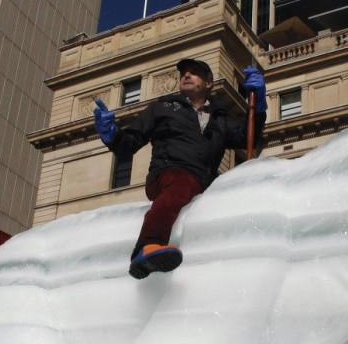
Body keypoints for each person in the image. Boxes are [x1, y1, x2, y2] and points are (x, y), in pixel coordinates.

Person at [93, 58, 266, 278]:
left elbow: (247, 137)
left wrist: (258, 103)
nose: (186, 75)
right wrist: (111, 133)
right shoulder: (163, 107)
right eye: (184, 73)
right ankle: (147, 246)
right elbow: (129, 142)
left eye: (194, 73)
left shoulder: (220, 118)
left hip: (205, 183)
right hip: (169, 173)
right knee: (180, 182)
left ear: (209, 83)